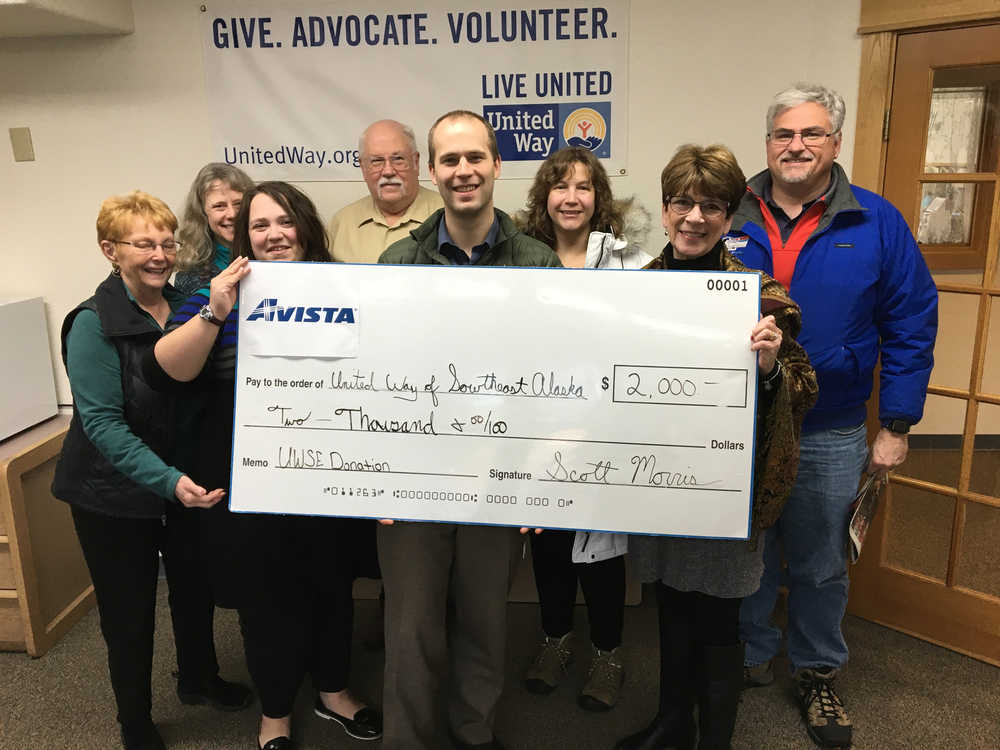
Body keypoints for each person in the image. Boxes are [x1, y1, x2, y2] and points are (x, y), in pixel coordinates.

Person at [733, 84, 937, 749]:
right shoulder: (727, 212)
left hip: (831, 428)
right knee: (747, 549)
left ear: (835, 143)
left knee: (820, 558)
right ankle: (749, 653)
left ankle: (817, 667)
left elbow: (911, 323)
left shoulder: (876, 221)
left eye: (812, 134)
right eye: (784, 134)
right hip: (741, 425)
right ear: (767, 142)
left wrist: (897, 423)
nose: (796, 146)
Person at [146, 182, 380, 750]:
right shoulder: (214, 290)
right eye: (259, 225)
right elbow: (169, 370)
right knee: (263, 593)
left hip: (329, 466)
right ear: (242, 234)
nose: (273, 234)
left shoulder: (348, 285)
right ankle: (275, 710)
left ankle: (333, 691)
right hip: (249, 469)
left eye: (284, 222)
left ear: (304, 224)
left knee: (330, 581)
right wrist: (214, 310)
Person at [616, 144, 818, 750]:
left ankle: (715, 740)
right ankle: (672, 722)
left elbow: (807, 388)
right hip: (657, 482)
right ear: (665, 207)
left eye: (712, 206)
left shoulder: (759, 295)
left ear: (730, 218)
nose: (695, 217)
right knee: (671, 605)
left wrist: (769, 365)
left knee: (718, 617)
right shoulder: (635, 290)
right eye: (683, 202)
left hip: (728, 489)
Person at [377, 110, 561, 750]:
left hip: (496, 477)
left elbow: (551, 375)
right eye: (449, 160)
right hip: (413, 481)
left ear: (496, 164)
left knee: (485, 621)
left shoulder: (536, 261)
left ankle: (473, 736)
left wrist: (538, 477)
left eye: (474, 158)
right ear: (433, 170)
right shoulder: (399, 260)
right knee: (410, 627)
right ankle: (409, 741)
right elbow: (377, 374)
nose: (463, 172)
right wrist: (379, 479)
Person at [51, 191, 251, 750]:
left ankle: (199, 679)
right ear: (110, 250)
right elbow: (103, 425)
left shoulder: (190, 299)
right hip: (110, 490)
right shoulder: (92, 324)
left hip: (183, 481)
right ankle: (134, 720)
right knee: (129, 608)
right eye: (144, 244)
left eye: (166, 242)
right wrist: (167, 480)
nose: (159, 254)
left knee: (194, 586)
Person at [517, 146, 651, 710]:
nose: (571, 198)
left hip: (604, 429)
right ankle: (554, 641)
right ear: (543, 197)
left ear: (600, 198)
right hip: (538, 426)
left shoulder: (633, 265)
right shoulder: (520, 260)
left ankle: (607, 653)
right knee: (547, 544)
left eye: (583, 187)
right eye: (560, 186)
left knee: (602, 550)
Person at [328, 119, 443, 263]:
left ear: (416, 162)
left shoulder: (449, 218)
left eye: (398, 159)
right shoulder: (341, 224)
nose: (388, 171)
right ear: (363, 168)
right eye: (377, 161)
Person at [174, 163, 254, 296]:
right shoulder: (190, 276)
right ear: (203, 213)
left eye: (238, 204)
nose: (232, 214)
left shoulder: (271, 257)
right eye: (219, 206)